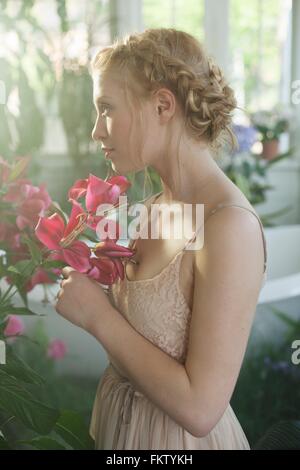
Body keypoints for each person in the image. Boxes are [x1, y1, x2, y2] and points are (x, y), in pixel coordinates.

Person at [55, 28, 267, 450]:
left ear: (163, 105)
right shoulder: (150, 208)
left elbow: (201, 410)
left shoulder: (227, 227)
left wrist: (99, 317)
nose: (97, 130)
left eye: (107, 109)